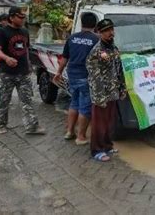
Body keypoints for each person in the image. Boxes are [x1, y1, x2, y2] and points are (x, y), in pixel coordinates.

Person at [0, 6, 45, 135]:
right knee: (3, 101)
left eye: (24, 17)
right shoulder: (2, 32)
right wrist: (6, 57)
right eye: (20, 17)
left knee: (27, 101)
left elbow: (26, 50)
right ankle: (1, 125)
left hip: (23, 73)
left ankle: (32, 127)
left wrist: (29, 65)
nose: (23, 19)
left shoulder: (25, 31)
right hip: (6, 73)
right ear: (11, 17)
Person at [54, 13, 99, 145]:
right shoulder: (96, 40)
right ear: (95, 24)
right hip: (86, 76)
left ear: (81, 22)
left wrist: (58, 72)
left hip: (72, 75)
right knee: (85, 107)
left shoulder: (72, 38)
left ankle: (69, 132)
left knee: (74, 103)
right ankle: (81, 137)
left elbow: (65, 58)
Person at [86, 19, 126, 162]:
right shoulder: (96, 51)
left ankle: (107, 146)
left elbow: (119, 70)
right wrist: (99, 97)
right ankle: (97, 150)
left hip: (113, 92)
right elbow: (94, 76)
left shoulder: (114, 48)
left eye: (112, 29)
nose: (111, 33)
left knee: (110, 121)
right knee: (99, 123)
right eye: (107, 31)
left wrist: (122, 88)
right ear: (100, 33)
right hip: (101, 94)